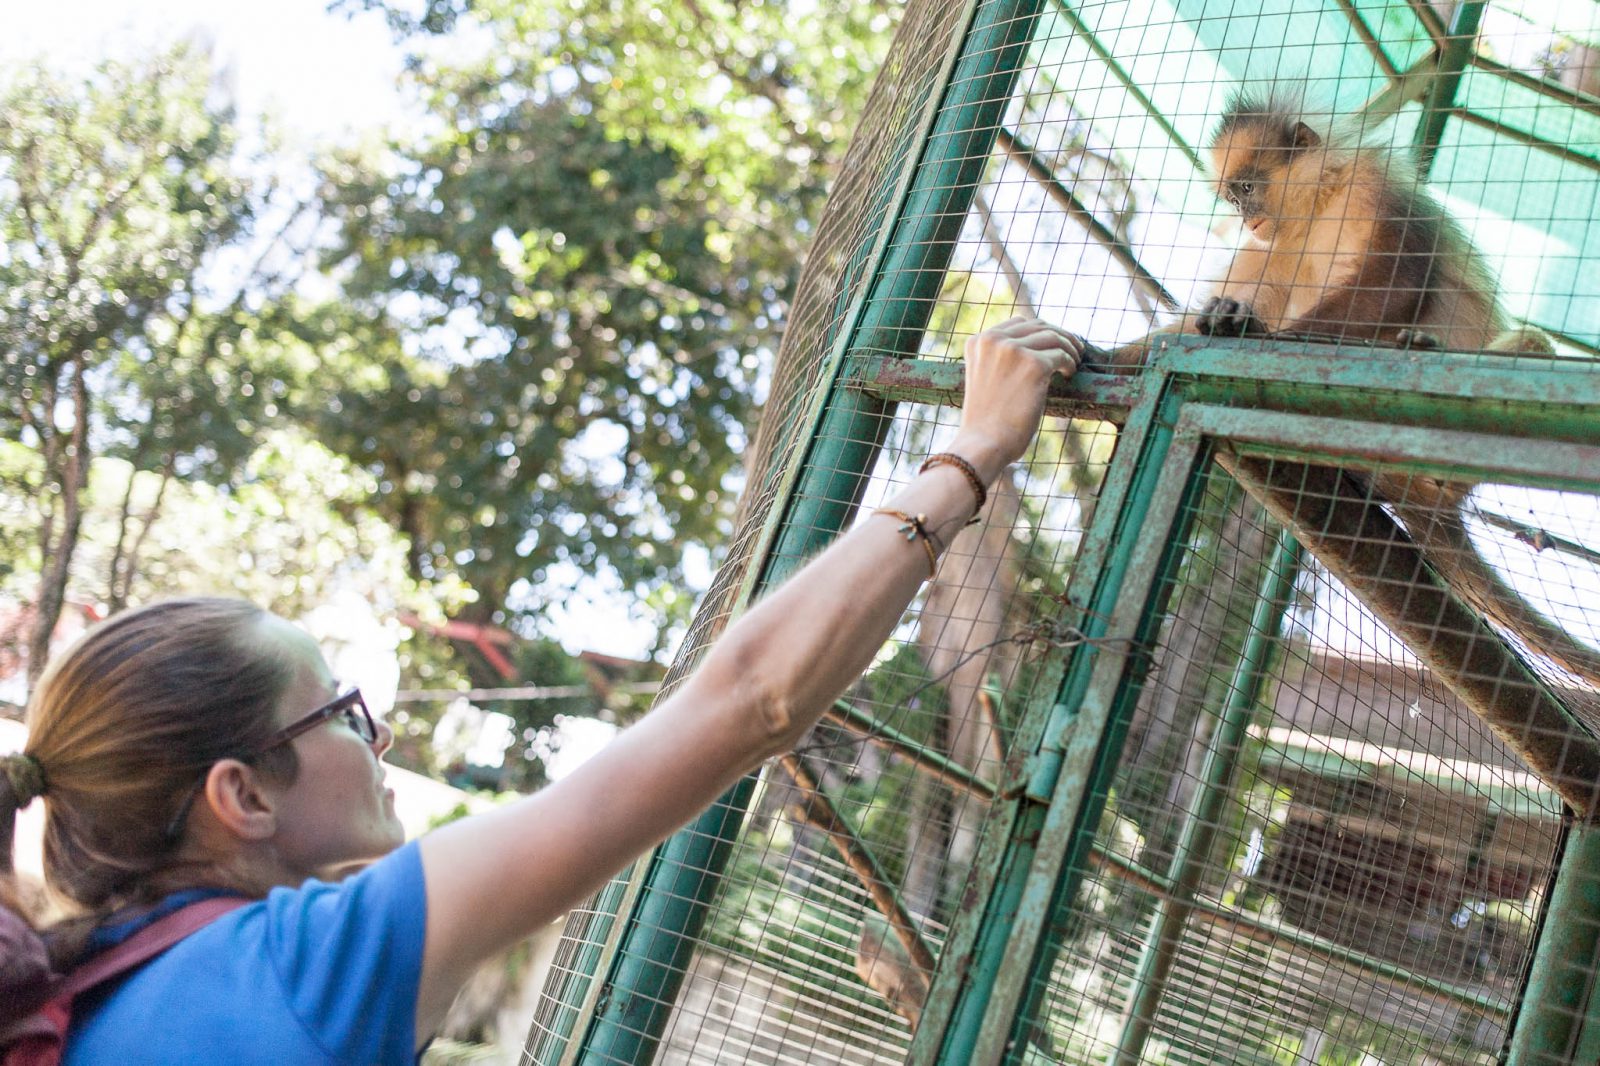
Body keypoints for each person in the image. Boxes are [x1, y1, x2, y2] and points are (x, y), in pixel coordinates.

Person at [0, 316, 1083, 1062]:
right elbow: (747, 704)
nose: (376, 739)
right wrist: (973, 451)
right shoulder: (319, 960)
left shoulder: (83, 994)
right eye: (340, 712)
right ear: (242, 795)